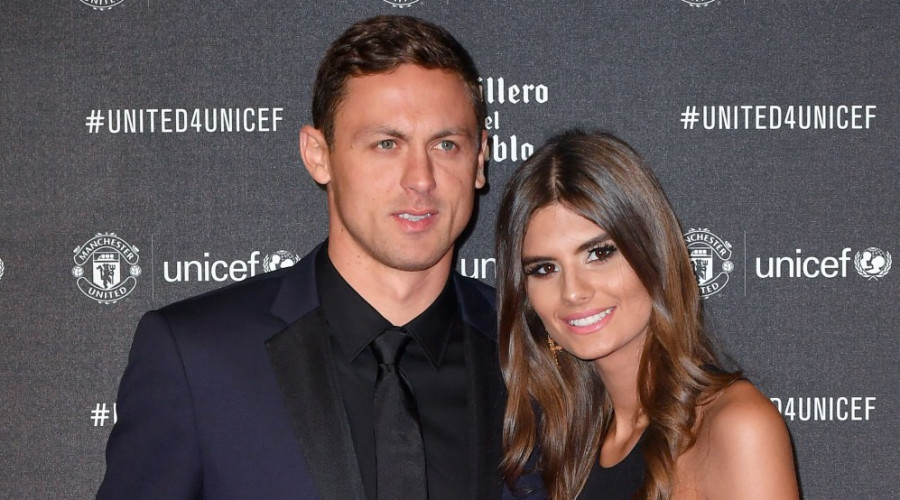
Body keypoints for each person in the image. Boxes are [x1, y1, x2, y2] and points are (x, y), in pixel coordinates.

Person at [97, 15, 505, 500]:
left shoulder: (532, 352)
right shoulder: (196, 358)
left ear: (479, 159)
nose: (421, 178)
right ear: (318, 154)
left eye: (446, 144)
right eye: (386, 144)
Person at [495, 131, 799, 499]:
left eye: (599, 254)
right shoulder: (570, 443)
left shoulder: (735, 426)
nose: (573, 292)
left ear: (652, 252)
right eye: (544, 269)